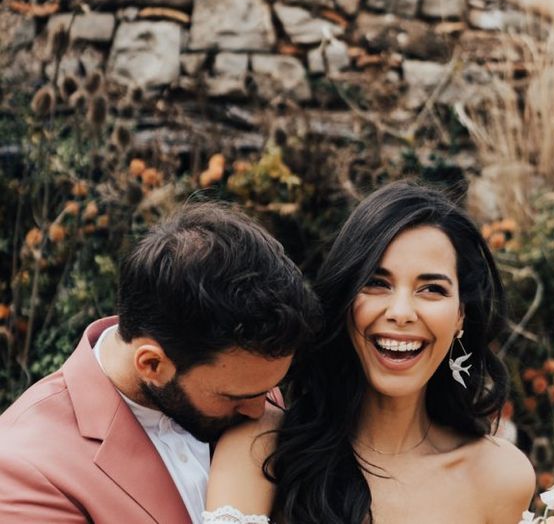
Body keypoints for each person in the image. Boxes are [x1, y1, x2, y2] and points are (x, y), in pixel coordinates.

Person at [206, 181, 535, 523]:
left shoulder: (501, 477)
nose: (402, 312)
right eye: (377, 283)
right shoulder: (262, 447)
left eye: (432, 289)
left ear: (460, 316)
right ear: (346, 299)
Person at [0, 201, 319, 524]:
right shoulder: (26, 468)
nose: (261, 409)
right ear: (152, 364)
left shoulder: (244, 378)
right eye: (235, 397)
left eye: (269, 387)